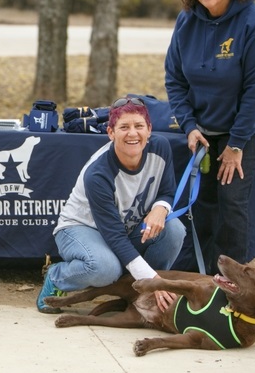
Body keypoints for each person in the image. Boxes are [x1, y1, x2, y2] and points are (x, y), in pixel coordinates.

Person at [164, 0, 255, 274]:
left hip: (247, 124)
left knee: (231, 201)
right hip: (202, 124)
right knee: (202, 201)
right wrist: (188, 125)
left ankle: (230, 284)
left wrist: (236, 145)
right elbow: (174, 78)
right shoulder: (186, 22)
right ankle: (200, 278)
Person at [37, 97, 186, 314]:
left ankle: (141, 291)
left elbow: (167, 191)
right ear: (110, 133)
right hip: (80, 228)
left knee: (174, 230)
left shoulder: (161, 147)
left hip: (125, 228)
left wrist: (159, 208)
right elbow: (115, 237)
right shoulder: (97, 174)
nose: (132, 133)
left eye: (139, 126)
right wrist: (157, 282)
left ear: (149, 129)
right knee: (106, 269)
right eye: (124, 127)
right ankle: (57, 277)